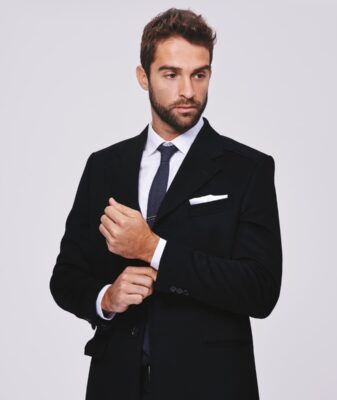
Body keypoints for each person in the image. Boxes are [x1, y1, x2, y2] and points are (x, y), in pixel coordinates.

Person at [50, 7, 282, 400]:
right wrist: (106, 298)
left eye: (199, 74)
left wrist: (153, 248)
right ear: (143, 77)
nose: (188, 91)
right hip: (116, 384)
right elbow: (66, 276)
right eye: (171, 74)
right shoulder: (104, 166)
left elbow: (260, 290)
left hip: (212, 386)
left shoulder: (247, 169)